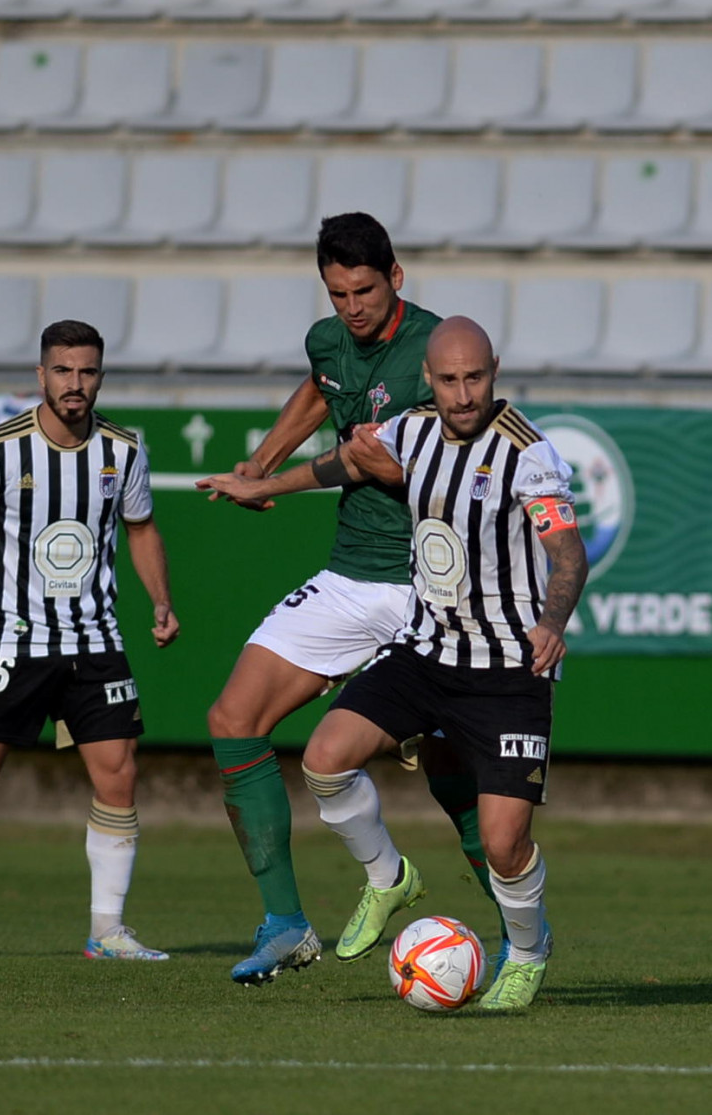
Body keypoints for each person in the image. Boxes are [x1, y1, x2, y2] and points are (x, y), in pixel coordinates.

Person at [211, 316, 588, 1012]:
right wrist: (263, 484)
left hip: (506, 670)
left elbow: (567, 551)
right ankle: (388, 876)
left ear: (495, 369)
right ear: (430, 380)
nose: (463, 393)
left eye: (475, 377)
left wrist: (551, 621)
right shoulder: (411, 430)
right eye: (449, 380)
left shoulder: (527, 454)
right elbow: (343, 463)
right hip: (424, 650)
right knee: (325, 757)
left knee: (506, 843)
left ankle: (530, 949)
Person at [199, 213, 506, 987]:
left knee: (448, 766)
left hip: (430, 586)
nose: (352, 307)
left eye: (364, 289)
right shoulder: (329, 340)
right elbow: (320, 386)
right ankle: (288, 925)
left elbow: (416, 471)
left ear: (395, 277)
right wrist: (260, 460)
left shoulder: (436, 351)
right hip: (349, 575)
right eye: (337, 292)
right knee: (233, 719)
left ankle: (515, 940)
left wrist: (296, 475)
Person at [0, 320, 179, 962]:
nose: (75, 384)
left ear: (100, 376)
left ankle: (107, 932)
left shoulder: (124, 451)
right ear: (41, 374)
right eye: (63, 371)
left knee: (119, 776)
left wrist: (160, 600)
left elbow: (141, 530)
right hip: (12, 641)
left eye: (87, 372)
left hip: (95, 640)